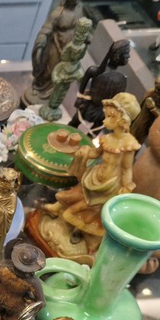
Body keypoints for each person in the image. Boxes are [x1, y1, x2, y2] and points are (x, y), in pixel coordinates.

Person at [43, 92, 141, 243]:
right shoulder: (106, 138)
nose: (104, 120)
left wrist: (127, 186)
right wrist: (84, 152)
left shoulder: (128, 144)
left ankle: (79, 230)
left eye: (110, 117)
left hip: (109, 185)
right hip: (95, 177)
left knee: (91, 208)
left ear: (122, 120)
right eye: (106, 115)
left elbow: (127, 168)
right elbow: (95, 153)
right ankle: (57, 208)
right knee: (77, 193)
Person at [26, 0, 85, 104]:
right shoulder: (58, 13)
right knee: (49, 70)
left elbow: (81, 27)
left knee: (63, 71)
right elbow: (46, 29)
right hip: (56, 45)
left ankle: (52, 95)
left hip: (70, 46)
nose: (77, 1)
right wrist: (40, 43)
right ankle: (39, 88)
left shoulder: (78, 11)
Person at [130, 75, 160, 143]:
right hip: (140, 116)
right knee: (131, 132)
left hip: (149, 122)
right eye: (156, 88)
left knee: (138, 138)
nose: (156, 91)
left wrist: (154, 109)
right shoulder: (151, 92)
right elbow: (140, 104)